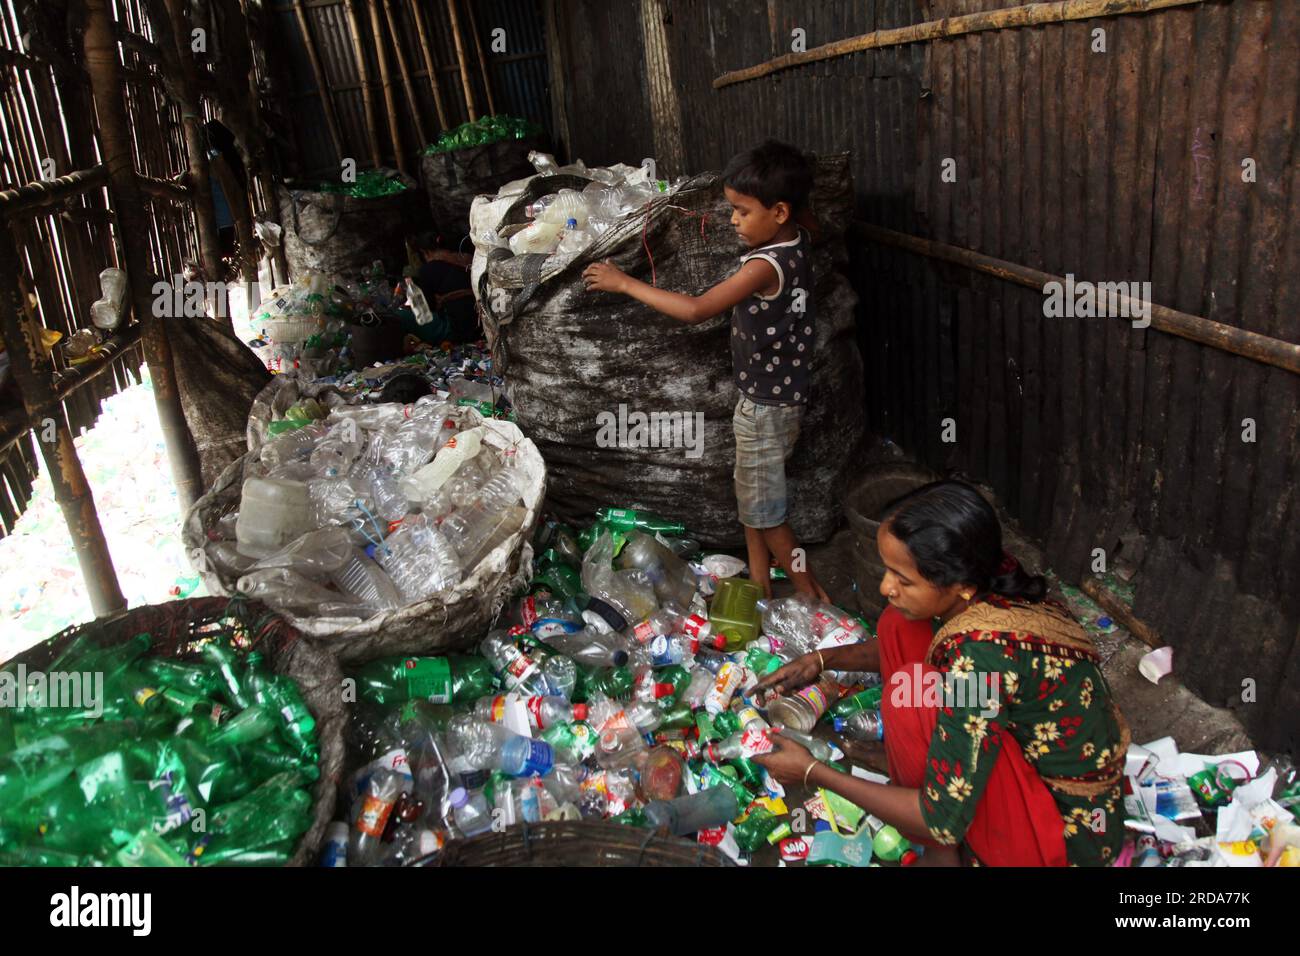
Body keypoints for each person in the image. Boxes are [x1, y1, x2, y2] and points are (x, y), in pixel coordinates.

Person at [751, 480, 1130, 866]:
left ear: (960, 585)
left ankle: (942, 855)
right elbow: (895, 646)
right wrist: (821, 660)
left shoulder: (978, 662)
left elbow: (940, 821)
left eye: (904, 579)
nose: (885, 587)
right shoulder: (986, 585)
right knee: (900, 626)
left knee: (911, 704)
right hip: (1034, 766)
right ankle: (925, 781)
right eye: (888, 570)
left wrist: (813, 771)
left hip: (1059, 835)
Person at [582, 140, 829, 602]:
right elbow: (804, 213)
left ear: (779, 211)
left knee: (768, 515)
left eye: (741, 211)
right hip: (775, 399)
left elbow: (697, 310)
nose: (732, 220)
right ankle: (759, 587)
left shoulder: (764, 265)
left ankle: (812, 597)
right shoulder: (797, 236)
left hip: (765, 408)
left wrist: (625, 282)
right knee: (752, 504)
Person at [401, 230, 480, 344]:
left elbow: (429, 306)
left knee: (405, 315)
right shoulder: (468, 258)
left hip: (458, 328)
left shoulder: (427, 270)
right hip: (481, 318)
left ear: (425, 252)